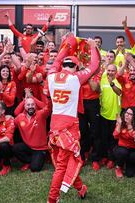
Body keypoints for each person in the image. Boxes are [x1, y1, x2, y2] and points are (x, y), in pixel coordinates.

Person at [46, 37, 100, 203]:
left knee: (64, 159)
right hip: (69, 125)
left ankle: (80, 188)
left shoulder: (50, 75)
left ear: (63, 65)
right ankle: (52, 199)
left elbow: (56, 60)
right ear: (76, 67)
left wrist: (67, 46)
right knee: (62, 164)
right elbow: (94, 66)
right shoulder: (76, 78)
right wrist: (92, 47)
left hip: (54, 124)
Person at [13, 92, 51, 172]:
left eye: (32, 104)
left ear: (35, 106)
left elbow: (47, 107)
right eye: (28, 105)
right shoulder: (20, 117)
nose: (31, 107)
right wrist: (24, 100)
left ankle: (34, 161)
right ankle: (30, 161)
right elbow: (15, 113)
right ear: (24, 106)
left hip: (40, 149)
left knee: (35, 169)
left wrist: (33, 98)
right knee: (15, 148)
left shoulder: (41, 115)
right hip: (28, 147)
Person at [99, 63, 122, 169]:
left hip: (115, 115)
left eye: (113, 71)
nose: (110, 72)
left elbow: (119, 93)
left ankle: (112, 159)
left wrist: (112, 84)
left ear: (116, 72)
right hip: (104, 114)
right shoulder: (102, 81)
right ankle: (104, 156)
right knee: (104, 137)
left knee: (113, 139)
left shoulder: (119, 81)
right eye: (109, 70)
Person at [113, 107, 135, 178]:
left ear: (134, 117)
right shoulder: (121, 123)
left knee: (130, 174)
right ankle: (118, 167)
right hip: (121, 148)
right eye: (126, 113)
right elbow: (115, 136)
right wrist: (119, 124)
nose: (127, 115)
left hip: (133, 150)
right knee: (123, 152)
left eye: (130, 114)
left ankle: (129, 165)